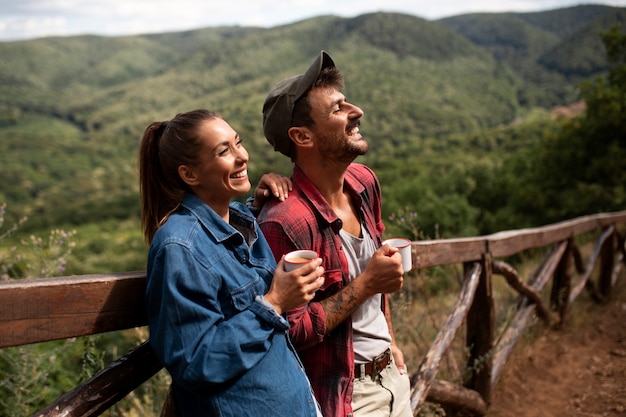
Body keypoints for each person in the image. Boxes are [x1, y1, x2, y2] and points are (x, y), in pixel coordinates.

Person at [138, 109, 325, 417]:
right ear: (190, 174)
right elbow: (193, 360)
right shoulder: (178, 246)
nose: (242, 156)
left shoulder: (240, 218)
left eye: (238, 143)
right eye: (224, 151)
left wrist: (257, 202)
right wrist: (275, 302)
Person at [256, 51, 413, 417]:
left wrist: (391, 341)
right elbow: (289, 331)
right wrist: (368, 284)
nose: (356, 111)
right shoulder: (284, 221)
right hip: (345, 397)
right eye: (338, 108)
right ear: (302, 136)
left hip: (393, 375)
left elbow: (378, 270)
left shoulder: (364, 182)